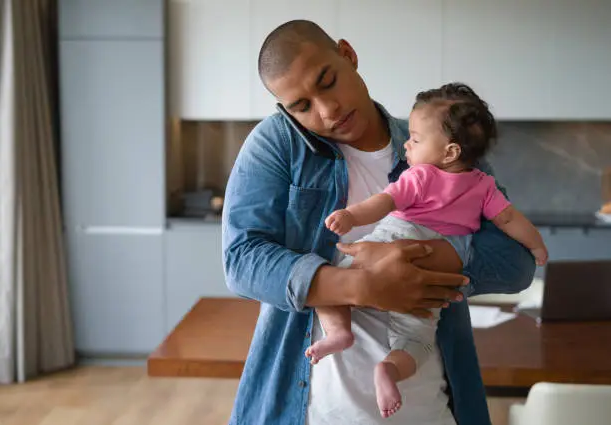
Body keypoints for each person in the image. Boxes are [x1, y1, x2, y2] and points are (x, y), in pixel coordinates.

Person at [222, 19, 536, 425]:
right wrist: (364, 286)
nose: (327, 110)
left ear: (348, 55)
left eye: (328, 81)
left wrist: (421, 264)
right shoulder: (277, 143)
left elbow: (516, 263)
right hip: (311, 413)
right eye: (302, 106)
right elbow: (242, 260)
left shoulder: (436, 142)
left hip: (430, 408)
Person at [306, 82, 548, 418]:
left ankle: (339, 333)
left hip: (391, 241)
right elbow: (510, 220)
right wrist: (536, 245)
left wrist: (350, 216)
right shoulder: (484, 185)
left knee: (327, 287)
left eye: (416, 139)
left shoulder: (419, 177)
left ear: (449, 152)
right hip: (437, 272)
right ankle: (389, 370)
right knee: (417, 339)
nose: (406, 142)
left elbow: (382, 202)